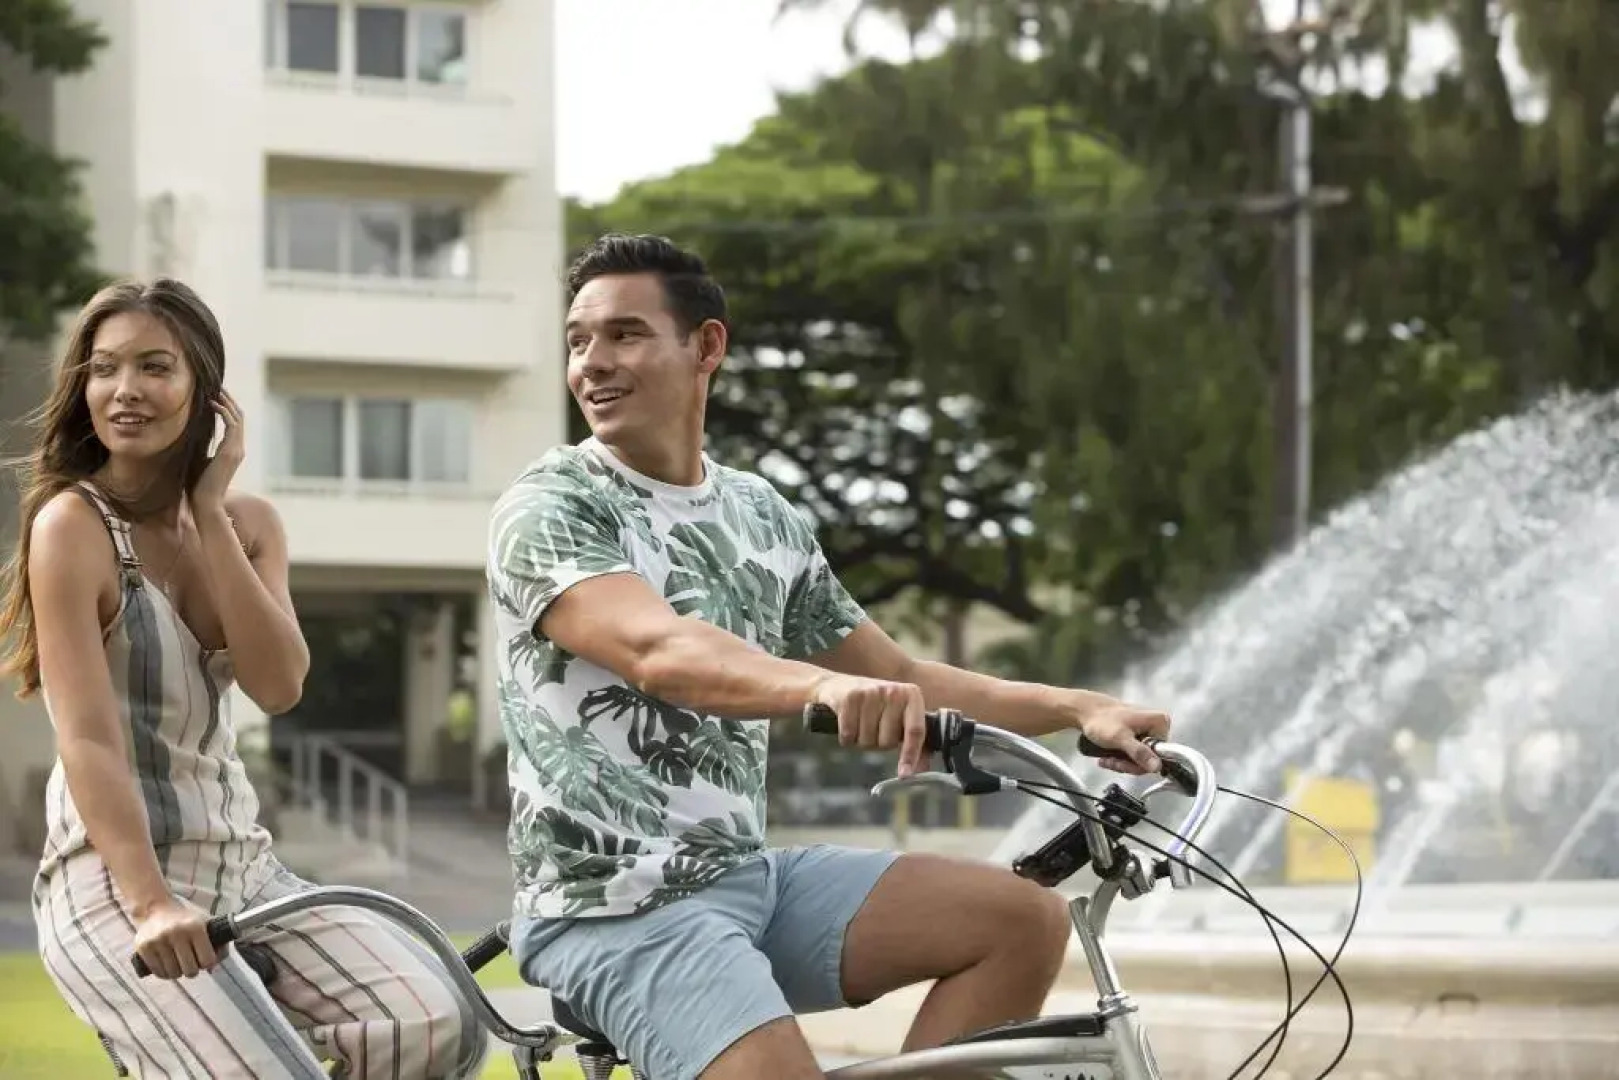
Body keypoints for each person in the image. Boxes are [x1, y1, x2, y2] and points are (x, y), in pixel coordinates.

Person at [485, 234, 1175, 1080]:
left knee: (1021, 921)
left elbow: (906, 678)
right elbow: (658, 650)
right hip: (616, 908)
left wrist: (1079, 709)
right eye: (578, 340)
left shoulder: (758, 512)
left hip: (748, 880)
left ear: (706, 347)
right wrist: (821, 686)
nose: (592, 362)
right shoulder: (550, 505)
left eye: (624, 334)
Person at [0, 278, 486, 1079]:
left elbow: (279, 684)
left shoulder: (250, 524)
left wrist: (211, 507)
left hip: (243, 867)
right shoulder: (71, 525)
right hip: (113, 878)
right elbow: (86, 736)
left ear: (206, 391)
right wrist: (152, 902)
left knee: (437, 1020)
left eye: (155, 367)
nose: (125, 391)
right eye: (104, 368)